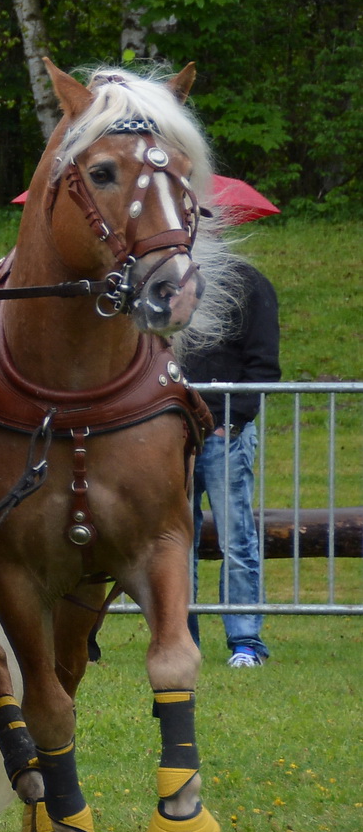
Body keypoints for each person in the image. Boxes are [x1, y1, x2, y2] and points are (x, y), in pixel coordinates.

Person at [185, 260, 281, 668]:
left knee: (237, 539)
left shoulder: (250, 284)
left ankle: (245, 641)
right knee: (178, 542)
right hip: (175, 434)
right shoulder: (173, 281)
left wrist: (233, 420)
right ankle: (182, 637)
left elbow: (264, 363)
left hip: (227, 434)